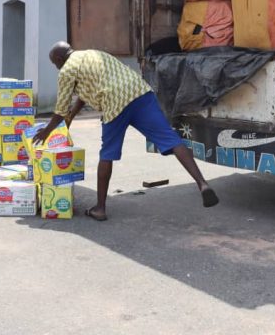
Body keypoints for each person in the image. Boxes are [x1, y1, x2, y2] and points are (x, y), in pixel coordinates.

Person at [33, 42, 219, 221]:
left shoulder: (66, 70)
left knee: (107, 154)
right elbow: (84, 92)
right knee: (171, 138)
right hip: (140, 93)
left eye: (54, 63)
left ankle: (100, 208)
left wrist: (46, 132)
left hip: (115, 103)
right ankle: (202, 183)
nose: (55, 66)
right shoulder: (94, 53)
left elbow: (60, 110)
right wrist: (72, 116)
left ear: (59, 57)